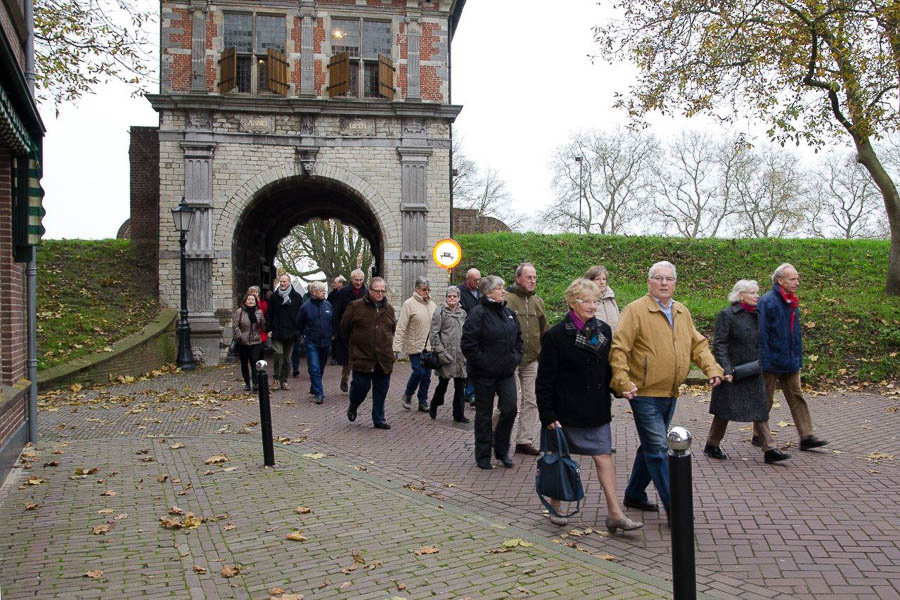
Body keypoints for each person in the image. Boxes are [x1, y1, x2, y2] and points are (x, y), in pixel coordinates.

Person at [610, 261, 724, 520]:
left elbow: (698, 345)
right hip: (643, 392)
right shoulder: (636, 310)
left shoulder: (681, 311)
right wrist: (622, 381)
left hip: (670, 392)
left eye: (669, 279)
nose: (664, 283)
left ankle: (634, 494)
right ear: (649, 282)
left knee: (652, 445)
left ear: (675, 283)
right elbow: (619, 348)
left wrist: (712, 369)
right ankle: (677, 509)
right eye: (658, 278)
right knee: (659, 449)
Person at [536, 278, 643, 533]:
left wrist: (621, 387)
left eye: (596, 301)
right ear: (572, 303)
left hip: (595, 410)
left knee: (604, 457)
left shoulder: (604, 332)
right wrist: (548, 415)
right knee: (560, 459)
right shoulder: (556, 336)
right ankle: (556, 505)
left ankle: (615, 514)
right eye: (587, 301)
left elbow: (609, 371)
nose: (593, 306)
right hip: (564, 411)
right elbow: (544, 381)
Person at [704, 280, 790, 464]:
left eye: (756, 292)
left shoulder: (759, 315)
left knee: (760, 410)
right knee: (724, 411)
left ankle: (770, 449)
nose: (757, 296)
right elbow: (719, 344)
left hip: (754, 370)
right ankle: (712, 444)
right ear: (740, 295)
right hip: (734, 372)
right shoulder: (727, 315)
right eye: (752, 292)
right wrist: (726, 369)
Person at [754, 263, 828, 451]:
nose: (797, 282)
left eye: (797, 278)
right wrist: (765, 360)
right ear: (780, 280)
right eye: (793, 279)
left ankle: (806, 436)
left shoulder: (792, 301)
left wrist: (797, 357)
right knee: (766, 400)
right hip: (771, 361)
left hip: (790, 361)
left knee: (797, 397)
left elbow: (795, 333)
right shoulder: (767, 301)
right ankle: (758, 434)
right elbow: (762, 333)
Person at [461, 275, 523, 470]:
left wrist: (515, 358)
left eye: (503, 287)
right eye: (499, 288)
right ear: (488, 293)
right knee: (484, 414)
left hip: (505, 372)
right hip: (483, 374)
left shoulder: (509, 314)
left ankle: (502, 449)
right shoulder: (477, 314)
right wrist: (484, 363)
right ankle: (483, 454)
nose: (503, 291)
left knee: (510, 408)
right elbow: (468, 344)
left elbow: (518, 340)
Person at [503, 262, 547, 456]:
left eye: (535, 277)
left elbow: (544, 329)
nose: (532, 280)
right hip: (510, 358)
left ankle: (524, 440)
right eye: (528, 277)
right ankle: (495, 435)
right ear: (518, 278)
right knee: (507, 403)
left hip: (531, 359)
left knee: (531, 400)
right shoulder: (507, 300)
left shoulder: (538, 301)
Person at [342, 277, 396, 429]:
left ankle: (379, 418)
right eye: (377, 291)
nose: (380, 294)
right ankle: (353, 405)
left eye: (382, 291)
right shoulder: (355, 307)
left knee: (381, 390)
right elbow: (344, 328)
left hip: (384, 357)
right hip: (363, 357)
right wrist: (354, 346)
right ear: (370, 290)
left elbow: (392, 329)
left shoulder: (389, 309)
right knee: (361, 386)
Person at [394, 277, 437, 412]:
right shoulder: (409, 304)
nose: (427, 292)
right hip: (414, 345)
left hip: (429, 346)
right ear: (417, 289)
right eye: (424, 290)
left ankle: (422, 400)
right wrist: (396, 347)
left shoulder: (433, 305)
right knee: (418, 371)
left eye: (428, 290)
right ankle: (408, 393)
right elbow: (401, 326)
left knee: (427, 376)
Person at [427, 286, 469, 423]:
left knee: (460, 385)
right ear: (446, 298)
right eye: (449, 296)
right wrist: (440, 351)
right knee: (443, 383)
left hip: (460, 355)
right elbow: (434, 334)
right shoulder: (440, 313)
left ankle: (459, 414)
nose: (452, 299)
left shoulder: (463, 314)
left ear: (459, 298)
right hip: (446, 354)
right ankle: (435, 403)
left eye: (454, 296)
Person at [296, 281, 333, 405]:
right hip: (312, 341)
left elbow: (332, 321)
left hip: (325, 341)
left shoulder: (328, 305)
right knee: (314, 367)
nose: (323, 293)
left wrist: (332, 333)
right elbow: (299, 323)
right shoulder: (305, 307)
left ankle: (314, 386)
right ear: (314, 292)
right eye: (321, 291)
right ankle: (319, 393)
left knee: (321, 367)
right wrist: (304, 334)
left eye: (324, 291)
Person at [332, 270, 367, 393]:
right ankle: (345, 377)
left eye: (360, 280)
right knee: (348, 358)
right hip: (346, 330)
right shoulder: (343, 292)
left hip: (362, 331)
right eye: (356, 280)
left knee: (359, 357)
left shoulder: (366, 292)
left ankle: (356, 383)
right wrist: (335, 330)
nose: (358, 282)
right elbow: (336, 312)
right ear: (351, 279)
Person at [267, 274, 303, 390]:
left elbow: (300, 315)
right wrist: (268, 329)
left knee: (287, 358)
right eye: (281, 281)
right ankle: (276, 378)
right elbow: (269, 313)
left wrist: (299, 329)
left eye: (284, 282)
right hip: (277, 331)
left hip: (291, 332)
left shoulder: (296, 297)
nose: (282, 284)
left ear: (289, 282)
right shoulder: (274, 297)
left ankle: (284, 379)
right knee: (278, 353)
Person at [232, 291, 266, 391]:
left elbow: (263, 327)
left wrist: (261, 319)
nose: (251, 301)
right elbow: (235, 325)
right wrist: (240, 336)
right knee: (244, 363)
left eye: (253, 300)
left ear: (255, 302)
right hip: (243, 341)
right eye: (249, 300)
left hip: (256, 340)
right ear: (245, 301)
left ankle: (255, 383)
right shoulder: (240, 311)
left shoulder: (258, 312)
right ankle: (247, 382)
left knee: (254, 362)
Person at [585, 265, 619, 332]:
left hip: (614, 339)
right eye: (598, 279)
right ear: (590, 281)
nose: (602, 282)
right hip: (595, 340)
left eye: (604, 279)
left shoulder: (610, 297)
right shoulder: (585, 299)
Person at [327, 275, 345, 366]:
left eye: (335, 282)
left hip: (344, 319)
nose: (334, 284)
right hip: (334, 319)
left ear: (341, 283)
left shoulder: (346, 293)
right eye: (333, 282)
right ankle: (334, 357)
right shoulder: (331, 295)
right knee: (334, 338)